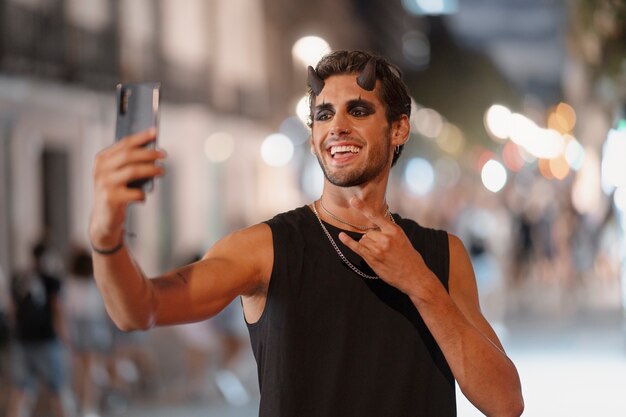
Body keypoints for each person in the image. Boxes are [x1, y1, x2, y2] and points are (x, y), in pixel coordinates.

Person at [89, 50, 524, 416]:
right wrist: (106, 231)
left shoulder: (441, 254)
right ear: (314, 137)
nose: (337, 126)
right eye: (323, 114)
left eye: (358, 110)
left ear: (399, 129)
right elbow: (138, 310)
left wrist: (419, 281)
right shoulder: (266, 248)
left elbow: (505, 402)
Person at [7, 242, 73, 417]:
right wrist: (64, 335)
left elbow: (12, 308)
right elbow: (57, 308)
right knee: (57, 389)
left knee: (19, 390)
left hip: (22, 339)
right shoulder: (51, 279)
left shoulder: (19, 277)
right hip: (46, 339)